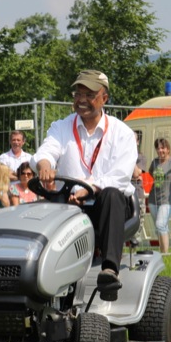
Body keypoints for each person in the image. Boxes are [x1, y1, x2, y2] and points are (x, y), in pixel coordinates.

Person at [33, 69, 137, 286]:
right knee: (42, 206)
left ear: (104, 98)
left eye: (89, 95)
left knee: (111, 195)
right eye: (78, 94)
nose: (81, 100)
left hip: (107, 207)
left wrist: (88, 189)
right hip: (70, 204)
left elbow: (119, 176)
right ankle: (36, 270)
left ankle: (110, 269)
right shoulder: (61, 127)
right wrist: (44, 165)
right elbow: (46, 151)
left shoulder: (122, 133)